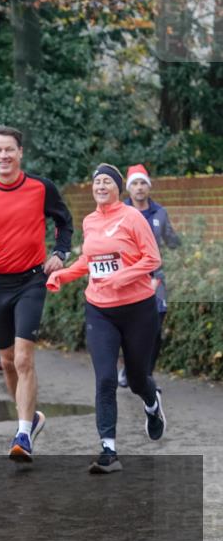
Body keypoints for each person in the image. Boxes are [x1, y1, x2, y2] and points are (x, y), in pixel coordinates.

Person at [0, 125, 73, 463]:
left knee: (23, 358)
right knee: (7, 361)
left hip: (32, 281)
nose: (3, 156)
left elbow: (64, 222)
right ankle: (31, 418)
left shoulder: (41, 188)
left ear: (21, 152)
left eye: (9, 150)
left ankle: (23, 433)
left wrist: (60, 253)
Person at [46, 164, 166, 473]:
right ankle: (108, 451)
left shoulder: (133, 218)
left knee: (138, 378)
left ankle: (152, 406)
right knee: (106, 379)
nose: (100, 186)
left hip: (138, 309)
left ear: (118, 188)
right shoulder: (90, 221)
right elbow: (90, 259)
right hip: (99, 310)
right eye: (96, 182)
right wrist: (65, 274)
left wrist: (121, 278)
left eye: (107, 182)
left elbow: (152, 259)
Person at [119, 163, 181, 388]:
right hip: (129, 278)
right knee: (130, 327)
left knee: (155, 328)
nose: (139, 188)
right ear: (129, 188)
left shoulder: (160, 213)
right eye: (134, 183)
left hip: (156, 278)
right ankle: (129, 368)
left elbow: (172, 240)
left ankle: (146, 374)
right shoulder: (120, 212)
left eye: (142, 183)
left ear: (148, 187)